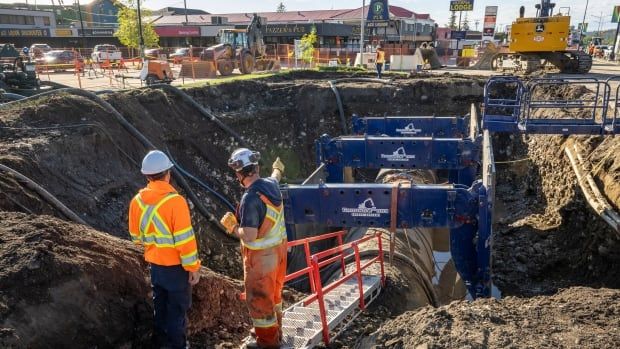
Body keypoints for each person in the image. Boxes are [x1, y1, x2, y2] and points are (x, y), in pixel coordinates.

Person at [128, 150, 201, 349]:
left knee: (160, 310)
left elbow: (136, 238)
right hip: (176, 268)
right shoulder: (175, 202)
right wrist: (193, 268)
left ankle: (161, 344)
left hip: (155, 267)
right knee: (177, 313)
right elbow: (185, 241)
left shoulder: (137, 201)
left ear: (147, 176)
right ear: (168, 173)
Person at [220, 149, 287, 349]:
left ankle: (267, 342)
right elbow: (276, 176)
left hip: (261, 259)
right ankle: (276, 332)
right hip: (280, 251)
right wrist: (277, 168)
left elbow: (249, 235)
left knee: (259, 301)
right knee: (274, 295)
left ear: (239, 174)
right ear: (256, 168)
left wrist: (232, 227)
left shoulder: (250, 198)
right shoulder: (271, 184)